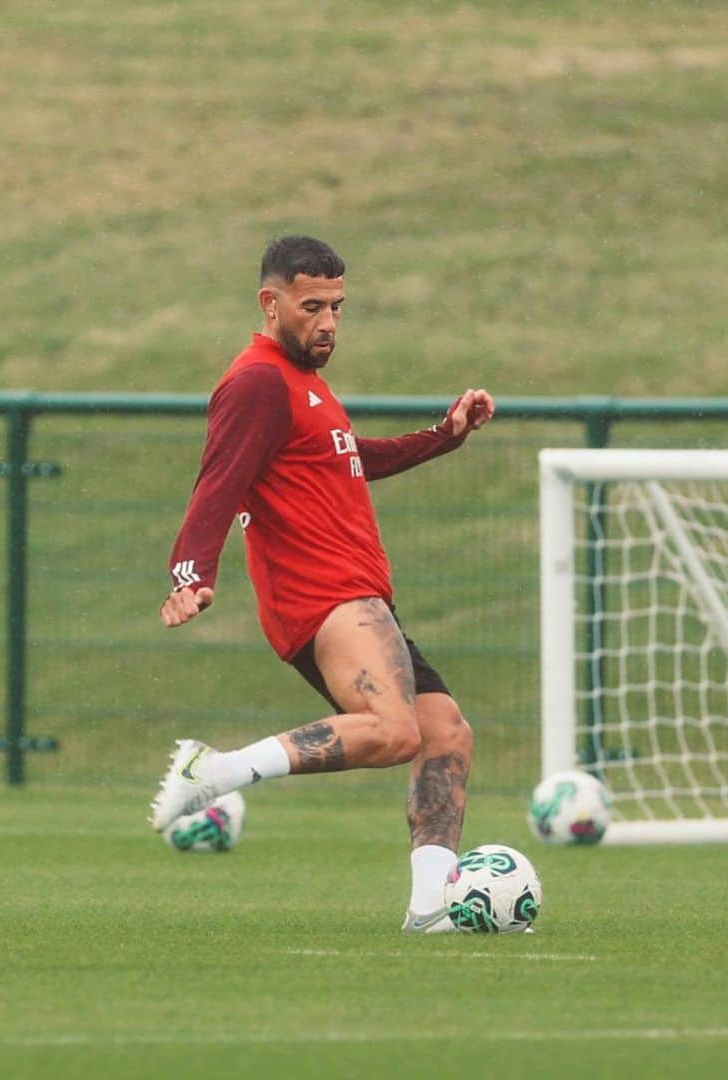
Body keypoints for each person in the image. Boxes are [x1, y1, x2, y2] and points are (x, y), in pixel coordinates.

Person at [151, 235, 495, 933]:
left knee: (445, 735)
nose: (329, 322)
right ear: (270, 303)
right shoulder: (256, 381)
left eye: (338, 306)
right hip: (324, 594)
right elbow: (217, 483)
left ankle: (431, 908)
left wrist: (444, 435)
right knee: (395, 733)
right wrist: (193, 574)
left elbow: (349, 458)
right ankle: (214, 772)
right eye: (313, 307)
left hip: (361, 592)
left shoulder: (304, 384)